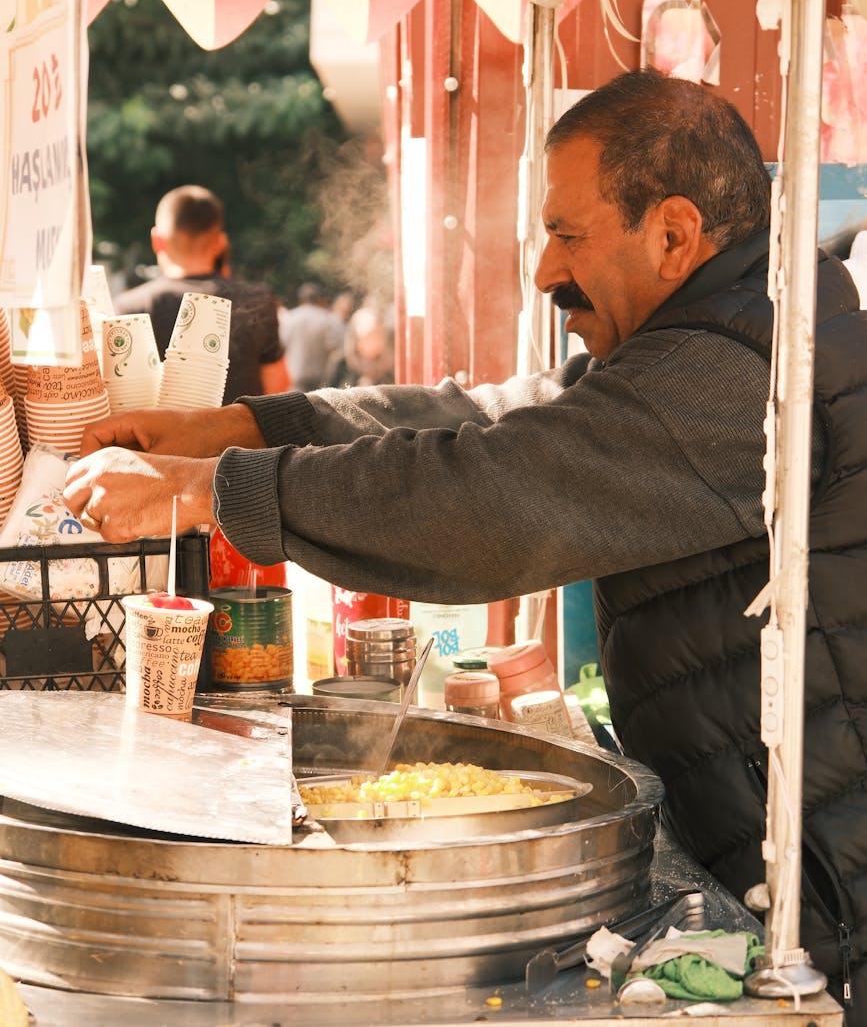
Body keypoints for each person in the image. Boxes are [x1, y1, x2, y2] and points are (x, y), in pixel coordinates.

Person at [64, 70, 866, 1019]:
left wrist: (211, 491)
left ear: (674, 235)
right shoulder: (723, 328)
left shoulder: (748, 366)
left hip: (833, 897)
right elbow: (483, 416)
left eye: (567, 234)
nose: (544, 272)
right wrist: (239, 427)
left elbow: (498, 492)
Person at [115, 185, 288, 403]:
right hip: (242, 436)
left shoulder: (129, 308)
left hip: (162, 437)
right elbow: (278, 387)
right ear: (219, 242)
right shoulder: (258, 300)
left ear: (157, 240)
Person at [277, 283, 344, 392]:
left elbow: (281, 345)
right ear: (318, 299)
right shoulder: (328, 318)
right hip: (320, 377)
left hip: (294, 375)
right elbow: (333, 348)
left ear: (301, 299)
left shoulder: (290, 318)